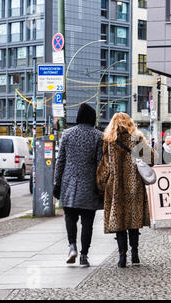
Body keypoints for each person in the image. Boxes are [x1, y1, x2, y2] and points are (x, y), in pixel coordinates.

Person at [96, 113, 156, 268]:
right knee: (133, 221)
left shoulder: (109, 141)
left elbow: (105, 166)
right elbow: (153, 159)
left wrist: (101, 184)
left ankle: (122, 257)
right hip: (134, 186)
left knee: (119, 222)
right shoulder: (137, 139)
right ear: (130, 123)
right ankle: (135, 254)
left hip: (115, 187)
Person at [53, 103, 103, 267]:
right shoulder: (98, 136)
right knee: (87, 222)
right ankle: (84, 255)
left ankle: (72, 246)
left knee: (70, 217)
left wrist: (57, 183)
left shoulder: (67, 134)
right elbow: (100, 163)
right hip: (89, 185)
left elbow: (60, 162)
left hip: (69, 184)